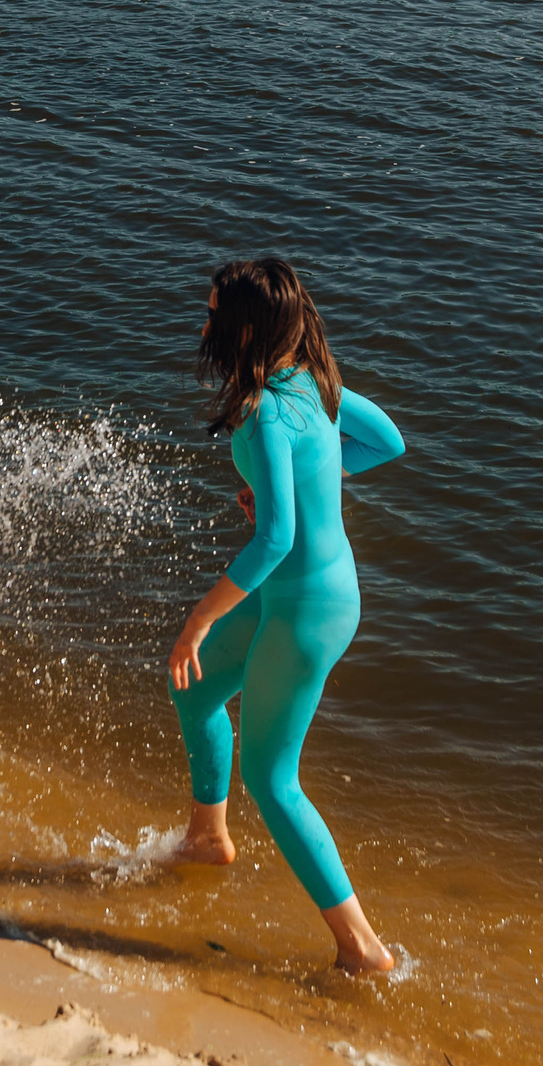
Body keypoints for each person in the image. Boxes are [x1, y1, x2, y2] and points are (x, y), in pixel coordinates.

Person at [164, 257, 406, 974]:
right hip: (312, 591)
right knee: (197, 688)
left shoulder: (267, 409)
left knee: (274, 780)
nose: (203, 324)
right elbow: (388, 441)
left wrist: (198, 621)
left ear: (243, 328)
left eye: (212, 314)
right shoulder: (316, 386)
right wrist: (312, 480)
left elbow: (276, 538)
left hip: (307, 610)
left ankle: (361, 948)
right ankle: (206, 837)